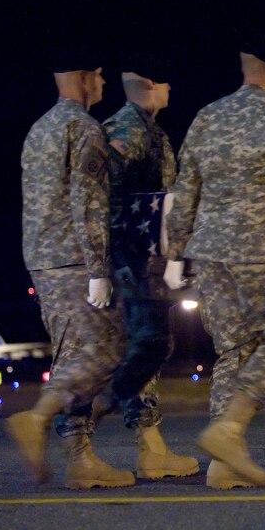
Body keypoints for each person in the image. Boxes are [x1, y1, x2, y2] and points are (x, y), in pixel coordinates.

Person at [164, 41, 265, 489]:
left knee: (234, 350)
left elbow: (186, 188)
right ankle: (229, 431)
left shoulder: (207, 117)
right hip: (263, 248)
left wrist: (178, 252)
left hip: (209, 251)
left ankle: (223, 464)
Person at [6, 57, 134, 489]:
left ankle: (81, 461)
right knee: (108, 349)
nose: (102, 82)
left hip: (42, 257)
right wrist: (98, 269)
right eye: (98, 75)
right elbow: (88, 203)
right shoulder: (84, 128)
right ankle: (38, 416)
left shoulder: (39, 129)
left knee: (73, 355)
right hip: (75, 259)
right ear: (83, 79)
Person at [79, 67, 198, 479]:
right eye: (164, 80)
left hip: (142, 262)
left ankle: (150, 448)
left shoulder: (150, 132)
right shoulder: (124, 134)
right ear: (149, 85)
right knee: (136, 350)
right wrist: (103, 269)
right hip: (127, 263)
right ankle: (76, 433)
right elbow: (97, 201)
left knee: (147, 348)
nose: (170, 85)